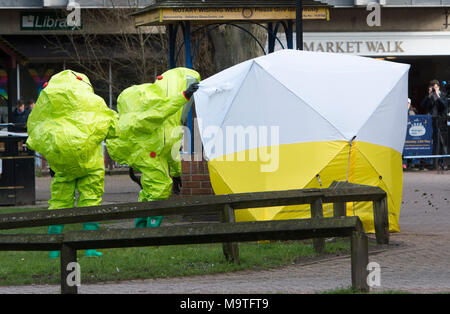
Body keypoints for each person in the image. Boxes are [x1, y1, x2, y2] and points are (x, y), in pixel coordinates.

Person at [26, 70, 119, 258]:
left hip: (62, 163)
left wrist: (51, 149)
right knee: (91, 200)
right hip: (89, 161)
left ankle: (54, 249)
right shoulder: (91, 100)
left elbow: (34, 129)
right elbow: (112, 126)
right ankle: (90, 247)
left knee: (59, 202)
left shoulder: (48, 99)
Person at [106, 68, 200, 229]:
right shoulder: (154, 115)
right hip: (146, 153)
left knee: (149, 190)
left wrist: (177, 173)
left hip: (150, 154)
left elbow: (171, 151)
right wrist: (184, 96)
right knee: (160, 187)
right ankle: (152, 231)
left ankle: (141, 227)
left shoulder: (169, 124)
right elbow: (161, 112)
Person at [420, 79, 449, 168]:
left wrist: (437, 95)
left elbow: (444, 106)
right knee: (434, 142)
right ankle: (434, 163)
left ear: (438, 87)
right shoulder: (429, 96)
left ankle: (444, 163)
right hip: (432, 121)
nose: (434, 89)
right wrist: (429, 96)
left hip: (441, 121)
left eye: (436, 87)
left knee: (443, 142)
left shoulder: (443, 95)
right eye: (433, 87)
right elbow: (422, 106)